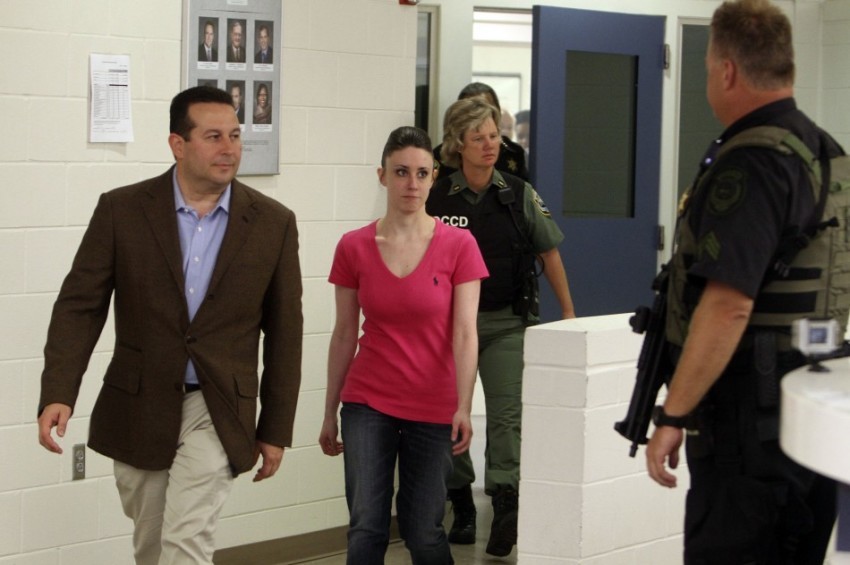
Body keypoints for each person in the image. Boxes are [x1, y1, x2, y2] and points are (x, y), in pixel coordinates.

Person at [37, 85, 303, 565]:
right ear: (178, 145)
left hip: (218, 403)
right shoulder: (122, 210)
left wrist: (276, 426)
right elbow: (80, 305)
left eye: (236, 136)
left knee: (187, 540)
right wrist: (59, 390)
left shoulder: (272, 223)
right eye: (214, 136)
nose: (229, 149)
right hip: (140, 401)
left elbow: (286, 333)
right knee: (152, 542)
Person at [645, 1, 845, 563]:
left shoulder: (752, 161)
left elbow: (729, 304)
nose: (710, 77)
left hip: (749, 436)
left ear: (728, 70)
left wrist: (673, 414)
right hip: (810, 416)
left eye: (709, 67)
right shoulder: (828, 156)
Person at [319, 126, 487, 565]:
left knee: (423, 531)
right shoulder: (354, 246)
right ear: (382, 176)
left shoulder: (459, 245)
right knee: (366, 528)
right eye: (400, 172)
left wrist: (464, 405)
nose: (411, 184)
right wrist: (329, 411)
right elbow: (342, 333)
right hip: (367, 401)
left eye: (421, 173)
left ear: (434, 178)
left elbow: (466, 333)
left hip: (434, 406)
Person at [426, 97, 576, 557]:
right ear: (458, 145)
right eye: (479, 138)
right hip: (451, 328)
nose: (490, 145)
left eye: (494, 136)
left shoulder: (517, 194)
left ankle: (506, 503)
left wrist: (569, 314)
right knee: (452, 415)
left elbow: (549, 254)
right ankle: (461, 503)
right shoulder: (438, 196)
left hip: (509, 322)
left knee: (507, 417)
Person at [433, 83, 529, 182]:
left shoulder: (513, 153)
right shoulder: (439, 157)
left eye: (486, 108)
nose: (481, 114)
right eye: (472, 110)